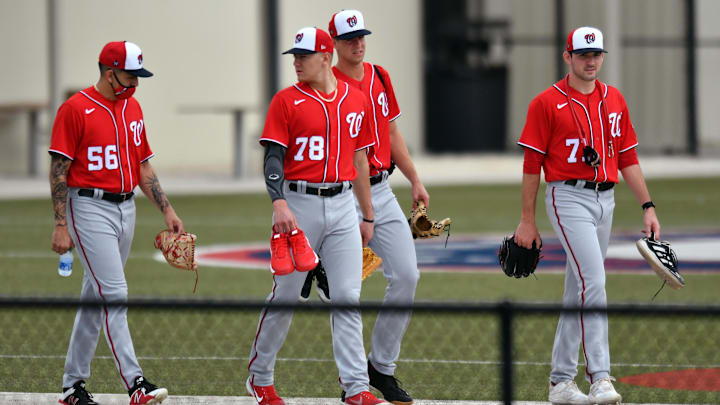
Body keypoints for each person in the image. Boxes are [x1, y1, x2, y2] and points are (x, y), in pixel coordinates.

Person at [514, 27, 660, 405]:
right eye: (582, 54)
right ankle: (600, 377)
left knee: (577, 289)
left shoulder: (614, 100)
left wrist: (647, 205)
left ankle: (561, 383)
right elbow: (532, 165)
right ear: (568, 57)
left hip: (605, 200)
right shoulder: (546, 102)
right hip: (567, 198)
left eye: (596, 54)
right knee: (594, 282)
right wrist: (527, 220)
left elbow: (627, 157)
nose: (590, 61)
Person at [246, 27, 387, 405]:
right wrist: (278, 202)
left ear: (326, 57)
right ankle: (259, 376)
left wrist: (367, 215)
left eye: (304, 55)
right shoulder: (286, 101)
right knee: (287, 294)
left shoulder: (356, 100)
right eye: (294, 55)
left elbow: (360, 159)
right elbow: (273, 156)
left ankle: (356, 387)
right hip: (298, 203)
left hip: (343, 205)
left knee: (347, 297)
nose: (296, 61)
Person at [303, 9, 429, 405]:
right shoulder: (327, 83)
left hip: (381, 189)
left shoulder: (380, 76)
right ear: (334, 45)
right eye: (349, 38)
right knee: (346, 292)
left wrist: (415, 179)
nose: (358, 43)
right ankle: (353, 382)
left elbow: (392, 133)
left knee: (407, 277)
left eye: (362, 36)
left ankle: (381, 368)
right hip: (342, 194)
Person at [49, 41, 179, 405]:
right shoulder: (75, 109)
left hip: (127, 209)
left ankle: (72, 387)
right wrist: (61, 224)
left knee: (96, 297)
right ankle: (136, 384)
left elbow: (142, 166)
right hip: (88, 207)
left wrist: (166, 209)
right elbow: (59, 169)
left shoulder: (132, 108)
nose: (136, 83)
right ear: (110, 73)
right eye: (130, 75)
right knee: (115, 294)